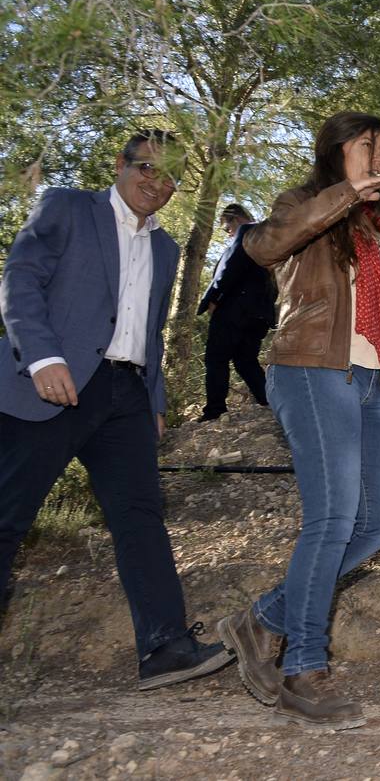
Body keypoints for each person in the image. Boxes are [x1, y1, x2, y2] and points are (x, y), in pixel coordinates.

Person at [215, 112, 380, 731]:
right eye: (370, 146)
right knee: (334, 518)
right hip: (313, 370)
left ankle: (263, 619)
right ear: (337, 151)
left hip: (369, 382)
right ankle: (303, 667)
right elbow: (261, 245)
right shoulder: (306, 202)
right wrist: (342, 196)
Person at [0, 129, 234, 689]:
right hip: (51, 383)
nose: (157, 184)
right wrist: (42, 356)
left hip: (125, 396)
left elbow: (149, 332)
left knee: (139, 516)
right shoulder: (67, 207)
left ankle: (165, 647)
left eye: (170, 176)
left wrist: (153, 399)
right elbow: (20, 280)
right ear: (120, 164)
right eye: (147, 169)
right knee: (7, 516)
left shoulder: (167, 247)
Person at [196, 204, 275, 422]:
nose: (227, 232)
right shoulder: (270, 240)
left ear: (236, 219)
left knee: (216, 356)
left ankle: (214, 410)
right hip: (259, 314)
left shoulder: (247, 232)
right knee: (245, 359)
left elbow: (229, 268)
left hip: (234, 310)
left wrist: (213, 299)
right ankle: (269, 400)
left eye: (226, 227)